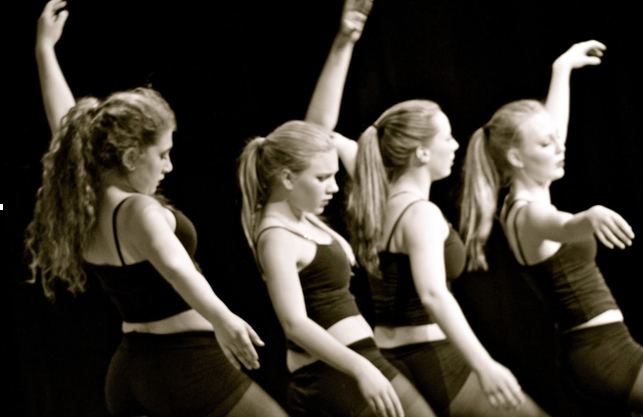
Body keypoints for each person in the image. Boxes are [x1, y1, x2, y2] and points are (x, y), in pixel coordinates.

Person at [26, 1, 289, 416]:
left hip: (132, 368)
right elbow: (176, 268)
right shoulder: (138, 212)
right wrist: (224, 319)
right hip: (184, 361)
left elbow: (65, 124)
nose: (169, 165)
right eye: (162, 154)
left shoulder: (89, 198)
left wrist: (45, 50)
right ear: (131, 157)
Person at [238, 1, 435, 416]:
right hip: (332, 372)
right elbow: (294, 323)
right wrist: (360, 369)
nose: (333, 187)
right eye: (322, 178)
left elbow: (319, 130)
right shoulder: (274, 235)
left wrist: (345, 42)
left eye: (333, 176)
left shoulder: (302, 217)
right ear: (288, 178)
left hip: (358, 359)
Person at [459, 39, 643, 412]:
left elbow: (550, 132)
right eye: (546, 145)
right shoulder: (528, 214)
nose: (560, 148)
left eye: (556, 141)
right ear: (517, 157)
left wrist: (562, 69)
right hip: (604, 354)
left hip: (599, 349)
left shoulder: (522, 197)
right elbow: (563, 226)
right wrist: (589, 216)